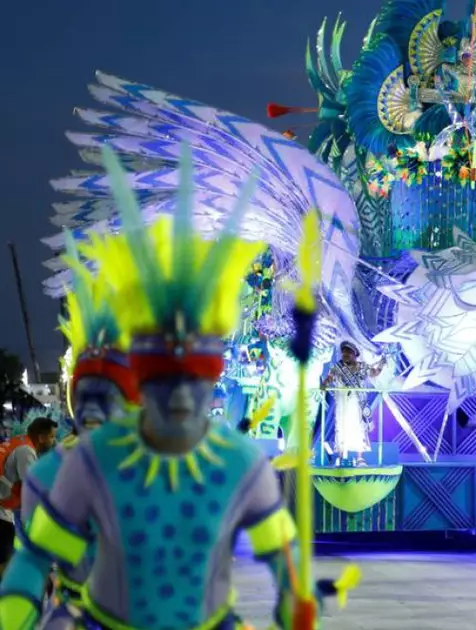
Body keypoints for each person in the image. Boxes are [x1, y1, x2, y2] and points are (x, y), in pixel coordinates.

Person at [0, 151, 349, 628]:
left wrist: (297, 601)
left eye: (194, 382)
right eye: (165, 384)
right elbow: (34, 558)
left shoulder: (241, 465)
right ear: (143, 383)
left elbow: (285, 565)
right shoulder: (91, 463)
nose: (182, 399)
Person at [5, 243, 140, 621]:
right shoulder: (52, 470)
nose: (92, 408)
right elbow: (32, 560)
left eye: (107, 395)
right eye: (85, 395)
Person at [0, 417, 58, 571]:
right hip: (2, 512)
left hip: (6, 508)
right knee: (5, 561)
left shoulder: (20, 442)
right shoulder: (26, 451)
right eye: (52, 436)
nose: (53, 441)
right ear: (41, 437)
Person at [321, 341, 383, 467]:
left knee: (359, 428)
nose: (345, 354)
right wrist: (324, 383)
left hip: (358, 404)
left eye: (348, 352)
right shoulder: (337, 367)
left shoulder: (362, 366)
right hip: (342, 404)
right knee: (341, 428)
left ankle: (360, 458)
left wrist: (382, 363)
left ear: (355, 354)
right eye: (344, 352)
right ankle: (341, 457)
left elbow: (374, 373)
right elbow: (328, 379)